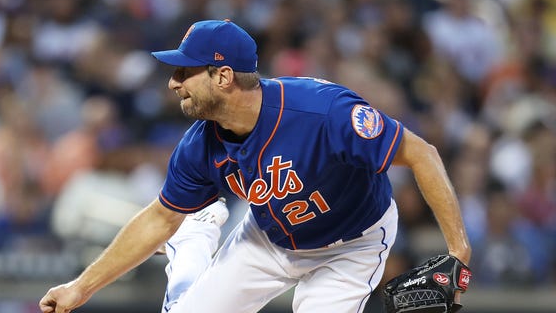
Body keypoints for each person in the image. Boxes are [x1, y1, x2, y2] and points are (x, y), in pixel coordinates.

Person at [39, 19, 471, 313]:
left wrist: (458, 253)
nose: (173, 83)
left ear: (222, 77)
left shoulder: (324, 113)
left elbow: (421, 153)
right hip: (268, 239)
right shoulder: (199, 145)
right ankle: (196, 233)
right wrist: (80, 288)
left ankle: (198, 229)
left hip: (350, 246)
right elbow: (159, 217)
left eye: (184, 72)